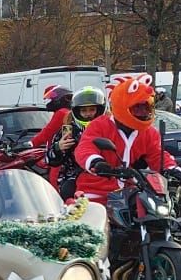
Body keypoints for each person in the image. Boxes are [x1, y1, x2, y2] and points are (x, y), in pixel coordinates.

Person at [72, 75, 175, 204]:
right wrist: (95, 162)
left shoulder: (149, 132)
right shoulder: (99, 125)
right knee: (92, 217)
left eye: (146, 108)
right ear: (122, 106)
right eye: (137, 108)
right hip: (97, 188)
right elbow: (86, 147)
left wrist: (173, 170)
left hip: (133, 189)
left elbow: (158, 154)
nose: (143, 113)